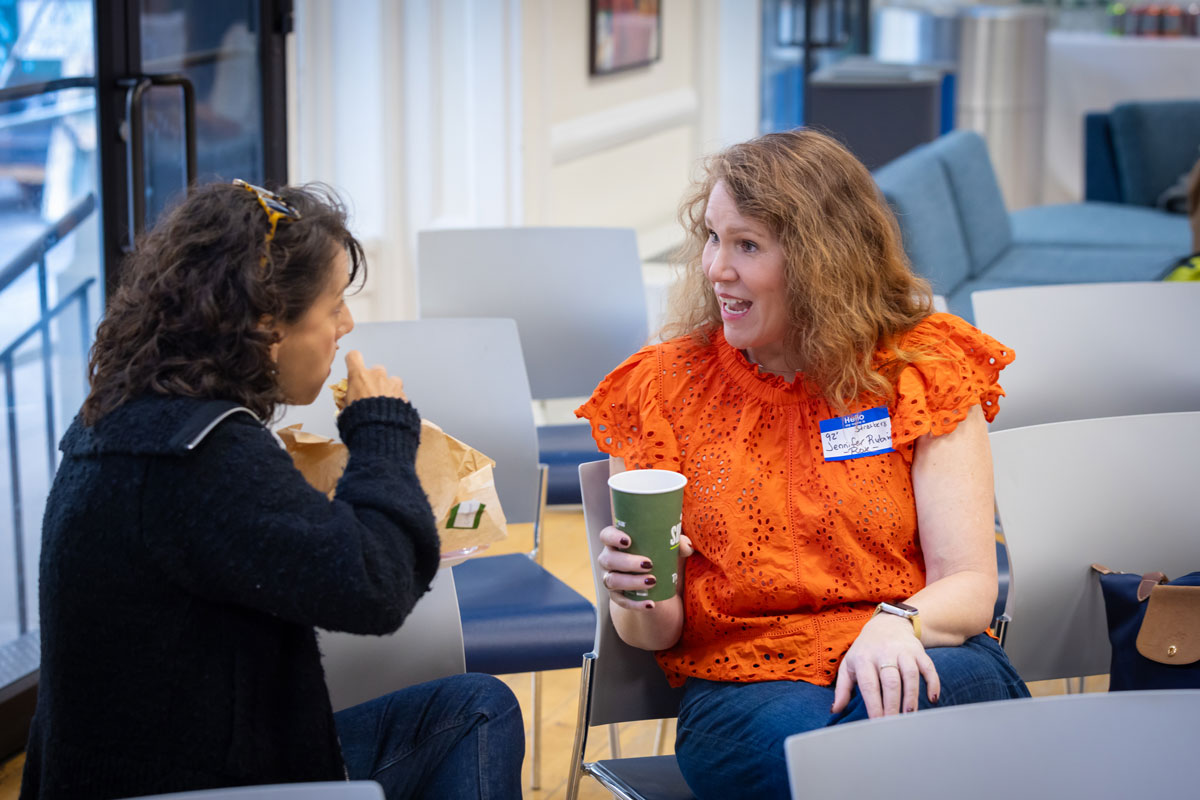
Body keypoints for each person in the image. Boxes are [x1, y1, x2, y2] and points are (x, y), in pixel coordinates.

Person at [20, 180, 523, 799]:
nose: (347, 324)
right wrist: (382, 428)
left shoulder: (120, 415)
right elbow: (376, 587)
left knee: (474, 706)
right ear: (266, 322)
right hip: (206, 789)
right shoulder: (203, 458)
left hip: (130, 771)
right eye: (333, 304)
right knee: (478, 710)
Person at [577, 129, 1029, 799]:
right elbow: (655, 632)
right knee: (823, 759)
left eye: (747, 245)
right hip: (751, 686)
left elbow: (967, 580)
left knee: (970, 729)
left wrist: (899, 622)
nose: (715, 269)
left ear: (824, 260)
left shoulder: (920, 370)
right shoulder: (663, 388)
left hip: (917, 646)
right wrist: (634, 590)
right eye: (713, 237)